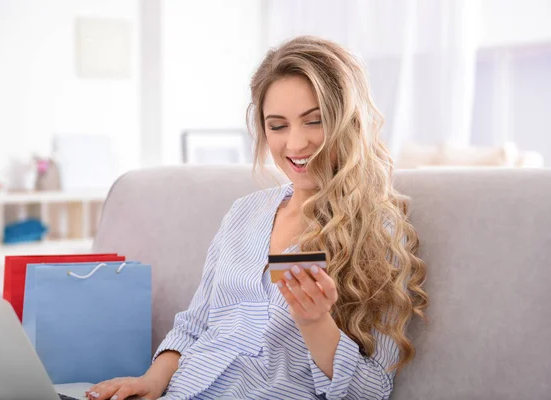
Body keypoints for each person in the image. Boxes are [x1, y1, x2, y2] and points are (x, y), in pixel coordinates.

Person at [85, 35, 428, 400]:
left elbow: (372, 391)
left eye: (314, 121)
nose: (295, 145)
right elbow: (196, 325)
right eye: (278, 126)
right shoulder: (244, 213)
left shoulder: (379, 231)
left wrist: (316, 324)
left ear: (349, 122)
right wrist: (151, 381)